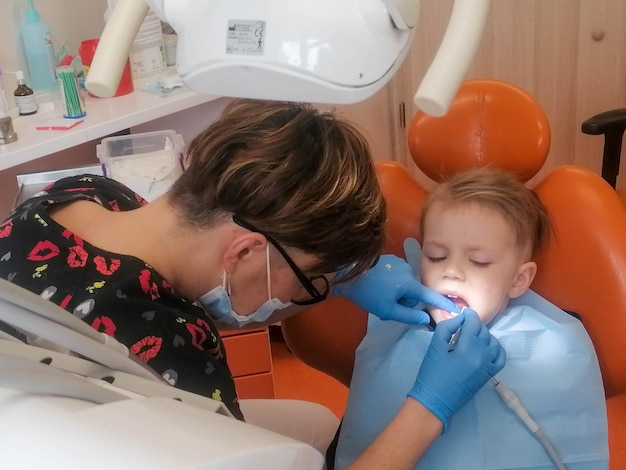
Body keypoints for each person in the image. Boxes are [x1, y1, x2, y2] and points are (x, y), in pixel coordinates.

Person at [0, 100, 504, 469]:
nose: (305, 299)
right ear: (244, 252)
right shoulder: (176, 361)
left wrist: (342, 280)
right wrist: (428, 409)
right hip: (83, 435)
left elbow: (163, 284)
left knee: (315, 424)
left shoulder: (83, 194)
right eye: (310, 284)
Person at [335, 167, 609, 469]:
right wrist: (341, 278)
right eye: (436, 255)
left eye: (479, 262)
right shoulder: (394, 333)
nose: (451, 271)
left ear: (519, 279)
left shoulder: (555, 347)